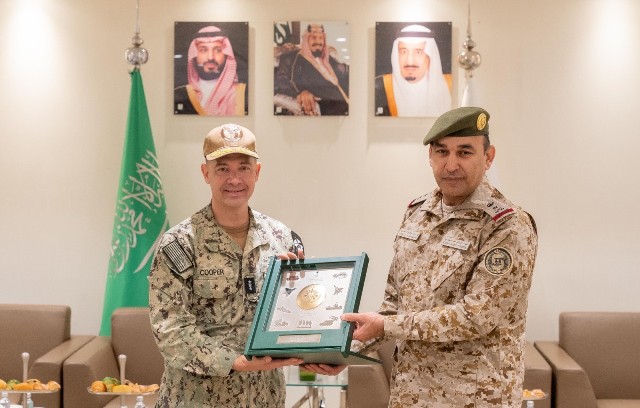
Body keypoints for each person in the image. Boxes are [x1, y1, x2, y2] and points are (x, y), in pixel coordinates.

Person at [305, 107, 538, 407]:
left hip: (474, 399)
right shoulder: (418, 213)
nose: (451, 164)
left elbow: (477, 316)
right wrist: (345, 350)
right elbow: (394, 306)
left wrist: (386, 326)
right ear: (430, 156)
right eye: (442, 152)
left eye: (464, 152)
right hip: (410, 395)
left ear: (488, 157)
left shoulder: (507, 226)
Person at [148, 123, 305, 407]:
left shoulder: (283, 239)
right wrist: (234, 361)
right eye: (222, 169)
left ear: (257, 172)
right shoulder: (180, 244)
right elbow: (169, 329)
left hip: (264, 398)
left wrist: (298, 299)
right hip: (196, 399)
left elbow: (297, 318)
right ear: (206, 173)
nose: (234, 179)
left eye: (244, 168)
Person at [375, 24, 452, 117]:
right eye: (403, 52)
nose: (410, 61)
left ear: (429, 56)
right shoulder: (379, 87)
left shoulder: (451, 85)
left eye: (418, 52)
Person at [274, 23, 349, 116]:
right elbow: (281, 81)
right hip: (327, 111)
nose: (318, 41)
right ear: (306, 39)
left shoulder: (329, 59)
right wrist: (300, 93)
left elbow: (344, 74)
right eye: (314, 37)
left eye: (321, 38)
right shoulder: (291, 58)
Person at [174, 26, 247, 116]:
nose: (210, 57)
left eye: (218, 50)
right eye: (203, 50)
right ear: (194, 55)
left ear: (226, 55)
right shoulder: (181, 93)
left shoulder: (242, 93)